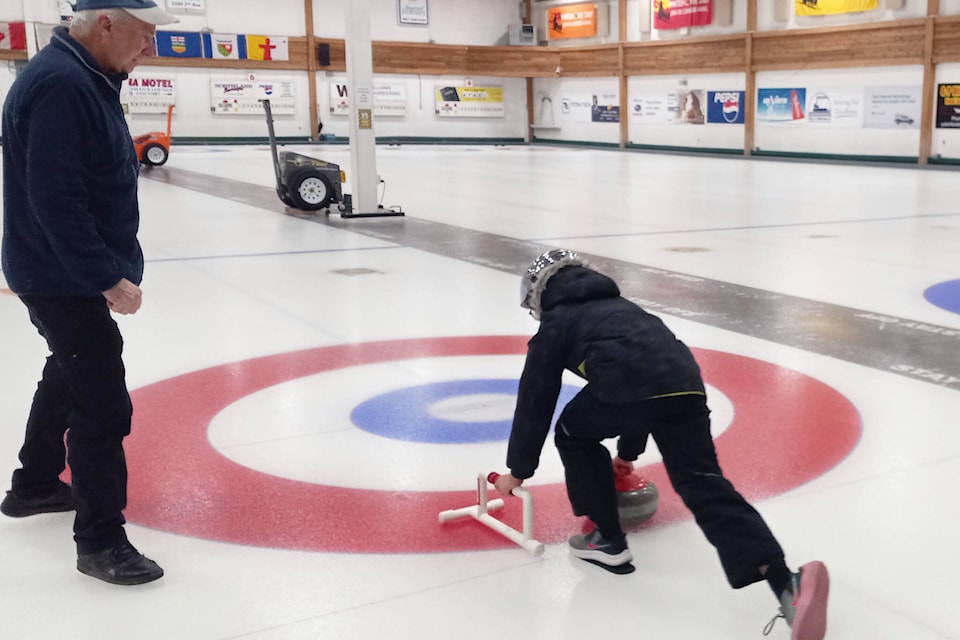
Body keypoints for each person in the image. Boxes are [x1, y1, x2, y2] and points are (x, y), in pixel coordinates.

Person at [493, 249, 830, 640]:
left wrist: (518, 469)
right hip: (686, 384)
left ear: (540, 296)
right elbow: (647, 373)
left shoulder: (556, 324)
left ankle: (607, 539)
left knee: (572, 433)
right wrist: (626, 455)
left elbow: (536, 399)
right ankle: (786, 585)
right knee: (704, 483)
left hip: (629, 389)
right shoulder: (624, 308)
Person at [0, 0, 178, 585]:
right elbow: (57, 199)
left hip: (57, 268)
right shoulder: (62, 84)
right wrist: (103, 275)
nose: (148, 47)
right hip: (62, 275)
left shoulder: (84, 75)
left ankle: (33, 485)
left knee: (68, 367)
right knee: (102, 399)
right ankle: (101, 541)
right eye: (145, 34)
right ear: (106, 22)